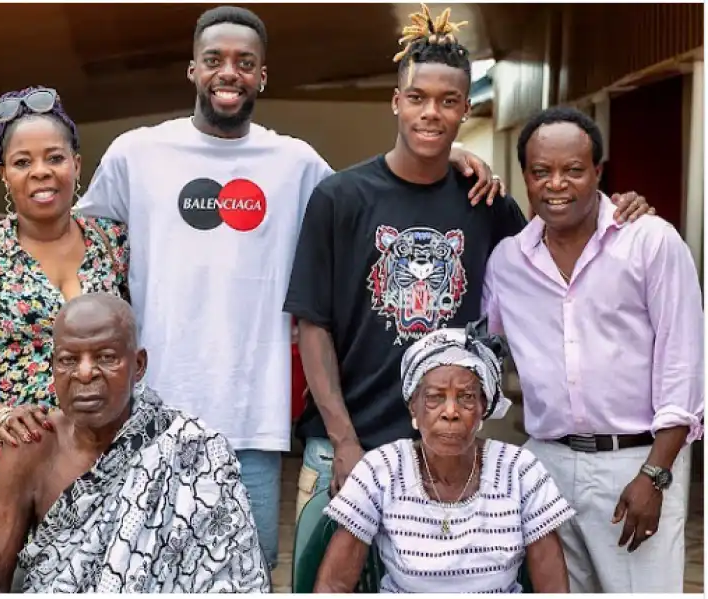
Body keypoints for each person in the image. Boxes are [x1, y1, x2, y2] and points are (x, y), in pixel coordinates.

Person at [0, 6, 505, 568]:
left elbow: (376, 197)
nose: (229, 72)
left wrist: (443, 150)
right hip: (143, 421)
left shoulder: (297, 163)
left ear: (262, 75)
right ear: (193, 70)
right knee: (143, 572)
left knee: (244, 572)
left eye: (244, 61)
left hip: (252, 424)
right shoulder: (137, 154)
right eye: (214, 59)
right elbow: (60, 223)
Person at [284, 3, 653, 516]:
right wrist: (344, 440)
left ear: (464, 109)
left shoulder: (485, 202)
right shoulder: (339, 198)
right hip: (349, 448)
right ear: (396, 102)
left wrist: (617, 211)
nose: (430, 112)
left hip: (453, 450)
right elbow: (313, 325)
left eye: (448, 100)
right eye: (417, 98)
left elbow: (554, 270)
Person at [482, 106, 704, 593]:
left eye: (573, 170)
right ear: (524, 176)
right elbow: (482, 351)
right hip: (547, 465)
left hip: (636, 460)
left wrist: (656, 474)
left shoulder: (650, 243)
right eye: (541, 172)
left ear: (598, 173)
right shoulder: (507, 262)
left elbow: (684, 367)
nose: (556, 184)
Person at [0, 87, 128, 593]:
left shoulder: (113, 244)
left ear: (77, 166)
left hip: (89, 463)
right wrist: (3, 419)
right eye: (23, 161)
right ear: (4, 175)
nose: (41, 171)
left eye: (54, 157)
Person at [0, 294, 270, 593]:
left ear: (138, 365)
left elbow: (235, 581)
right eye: (69, 360)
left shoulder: (194, 450)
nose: (84, 373)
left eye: (106, 357)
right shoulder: (33, 446)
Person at [314, 322, 573, 593]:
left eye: (466, 398)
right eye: (435, 398)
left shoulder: (520, 470)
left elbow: (553, 589)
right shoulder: (381, 470)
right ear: (413, 405)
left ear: (484, 408)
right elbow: (333, 585)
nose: (451, 411)